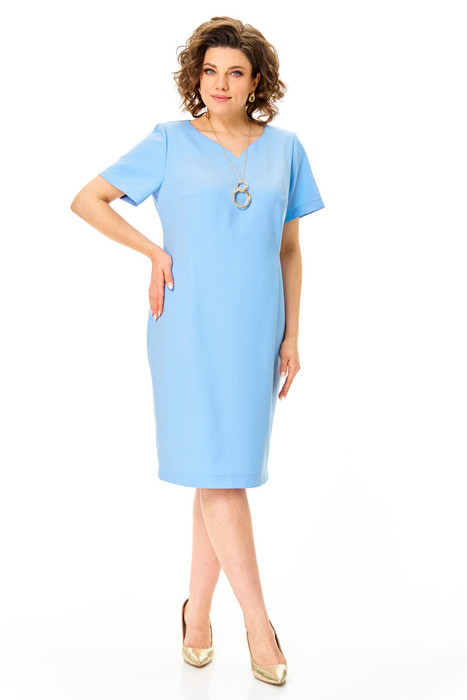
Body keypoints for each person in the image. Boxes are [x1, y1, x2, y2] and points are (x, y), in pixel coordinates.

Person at [71, 16, 324, 686]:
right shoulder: (169, 141)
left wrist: (293, 334)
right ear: (196, 76)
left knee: (221, 469)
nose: (220, 83)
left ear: (257, 82)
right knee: (220, 476)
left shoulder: (286, 149)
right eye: (210, 70)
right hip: (187, 327)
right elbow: (88, 200)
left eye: (235, 72)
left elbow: (289, 249)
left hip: (256, 329)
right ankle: (259, 625)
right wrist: (153, 252)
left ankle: (197, 616)